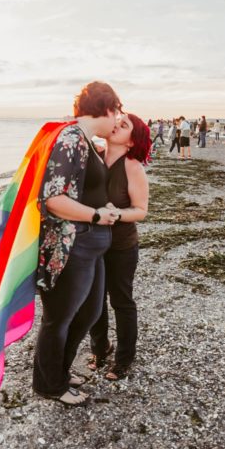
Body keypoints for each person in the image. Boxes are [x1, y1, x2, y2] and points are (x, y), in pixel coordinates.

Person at [33, 81, 124, 406]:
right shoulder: (71, 139)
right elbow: (53, 199)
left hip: (88, 247)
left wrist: (102, 210)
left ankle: (59, 370)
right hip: (69, 247)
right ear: (107, 108)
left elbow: (87, 192)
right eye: (119, 112)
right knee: (59, 319)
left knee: (88, 313)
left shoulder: (86, 140)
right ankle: (49, 385)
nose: (119, 119)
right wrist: (97, 216)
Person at [87, 113, 151, 381]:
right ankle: (100, 349)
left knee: (121, 302)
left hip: (122, 246)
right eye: (118, 120)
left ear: (131, 141)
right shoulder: (95, 154)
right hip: (91, 242)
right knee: (94, 301)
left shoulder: (133, 167)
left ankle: (124, 359)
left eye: (123, 125)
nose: (116, 125)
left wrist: (116, 214)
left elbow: (141, 211)